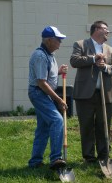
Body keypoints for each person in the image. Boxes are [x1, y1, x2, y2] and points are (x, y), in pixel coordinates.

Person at [70, 21, 112, 163]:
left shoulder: (110, 50)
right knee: (86, 126)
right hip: (84, 95)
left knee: (104, 126)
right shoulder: (81, 45)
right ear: (96, 29)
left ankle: (104, 156)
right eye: (106, 29)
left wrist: (105, 67)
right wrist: (93, 59)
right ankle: (89, 157)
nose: (108, 32)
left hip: (105, 95)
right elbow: (74, 61)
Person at [28, 26, 68, 169]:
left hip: (42, 92)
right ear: (49, 40)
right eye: (58, 40)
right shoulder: (40, 56)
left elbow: (45, 75)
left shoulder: (49, 55)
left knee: (43, 128)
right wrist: (59, 100)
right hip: (39, 93)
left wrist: (58, 72)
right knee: (57, 120)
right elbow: (41, 82)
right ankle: (56, 158)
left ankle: (35, 162)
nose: (60, 43)